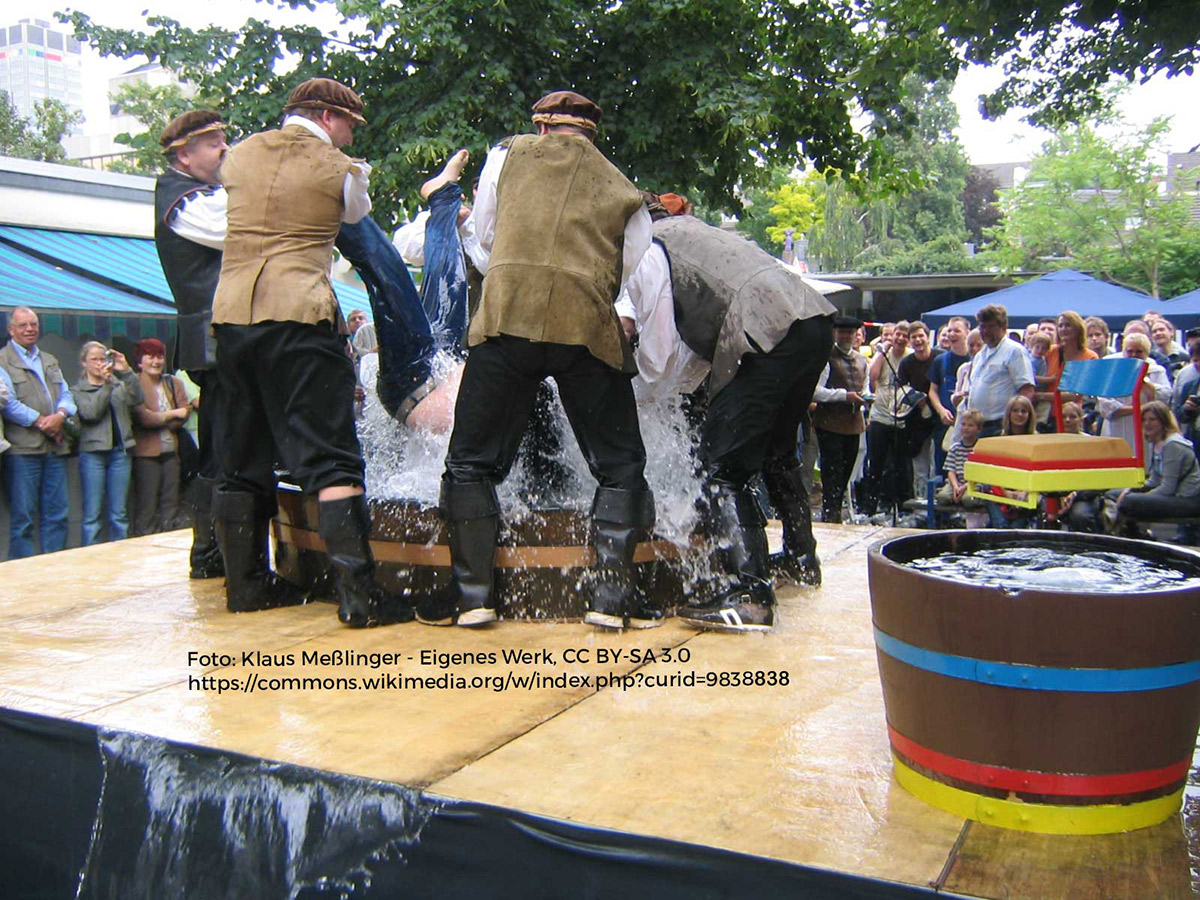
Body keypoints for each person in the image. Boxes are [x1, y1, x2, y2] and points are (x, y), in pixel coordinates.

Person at [420, 90, 655, 631]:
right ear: (591, 133)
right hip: (586, 327)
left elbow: (483, 235)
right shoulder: (624, 188)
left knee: (470, 462)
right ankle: (612, 600)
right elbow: (632, 263)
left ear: (542, 127)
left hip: (507, 319)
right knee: (620, 466)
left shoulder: (506, 156)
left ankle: (472, 597)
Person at [211, 77, 408, 625]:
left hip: (231, 319)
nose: (348, 136)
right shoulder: (342, 171)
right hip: (299, 315)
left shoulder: (239, 154)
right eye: (347, 124)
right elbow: (353, 215)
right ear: (326, 116)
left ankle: (247, 587)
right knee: (332, 456)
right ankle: (360, 598)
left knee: (241, 452)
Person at [617, 195, 835, 631]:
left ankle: (749, 596)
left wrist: (636, 396)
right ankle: (801, 559)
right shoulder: (700, 233)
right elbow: (701, 345)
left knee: (722, 470)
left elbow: (660, 357)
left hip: (763, 330)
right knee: (777, 451)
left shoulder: (649, 248)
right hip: (813, 321)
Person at [154, 109, 231, 579]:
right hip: (216, 340)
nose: (224, 148)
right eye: (213, 143)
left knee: (228, 446)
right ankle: (209, 556)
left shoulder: (203, 193)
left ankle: (218, 555)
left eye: (225, 139)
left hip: (221, 338)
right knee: (223, 448)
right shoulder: (184, 200)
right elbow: (235, 229)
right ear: (184, 153)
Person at [0, 306, 77, 557]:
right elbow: (7, 403)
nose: (30, 329)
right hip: (23, 450)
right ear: (11, 330)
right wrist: (42, 422)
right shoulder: (2, 360)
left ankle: (54, 569)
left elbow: (66, 393)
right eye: (23, 325)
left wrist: (61, 415)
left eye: (33, 324)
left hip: (55, 446)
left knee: (58, 514)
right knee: (23, 518)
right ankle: (23, 578)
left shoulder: (49, 359)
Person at [73, 342, 143, 545]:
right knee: (92, 516)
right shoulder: (78, 390)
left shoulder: (118, 384)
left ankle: (119, 556)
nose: (99, 363)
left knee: (119, 514)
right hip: (93, 453)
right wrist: (105, 386)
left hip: (120, 452)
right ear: (83, 363)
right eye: (94, 359)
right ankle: (90, 558)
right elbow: (90, 413)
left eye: (102, 359)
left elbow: (138, 398)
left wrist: (127, 371)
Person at [1104, 401, 1200, 536]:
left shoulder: (1173, 445)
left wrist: (1138, 496)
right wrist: (1130, 489)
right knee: (1112, 494)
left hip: (1187, 498)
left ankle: (1133, 535)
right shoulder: (1156, 442)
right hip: (1171, 494)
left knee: (1130, 501)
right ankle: (1126, 533)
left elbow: (1168, 488)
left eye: (1152, 419)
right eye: (1144, 420)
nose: (1147, 423)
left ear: (1163, 421)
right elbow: (1154, 480)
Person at [130, 337, 191, 536]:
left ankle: (169, 540)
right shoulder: (134, 383)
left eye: (160, 357)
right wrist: (172, 414)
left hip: (172, 452)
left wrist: (161, 418)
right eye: (151, 357)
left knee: (171, 503)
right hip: (146, 454)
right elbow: (144, 419)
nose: (156, 362)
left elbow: (185, 412)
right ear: (140, 360)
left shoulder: (174, 382)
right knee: (147, 505)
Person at [813, 316, 869, 524]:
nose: (846, 336)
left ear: (856, 335)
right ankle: (830, 515)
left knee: (846, 472)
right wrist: (843, 396)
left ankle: (836, 513)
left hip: (854, 423)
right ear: (835, 334)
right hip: (830, 423)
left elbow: (867, 386)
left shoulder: (862, 359)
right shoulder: (826, 358)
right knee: (832, 474)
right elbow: (815, 391)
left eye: (850, 332)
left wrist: (865, 397)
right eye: (842, 332)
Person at [863, 321, 912, 517]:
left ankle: (900, 505)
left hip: (901, 417)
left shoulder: (909, 357)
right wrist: (881, 353)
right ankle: (870, 506)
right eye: (896, 334)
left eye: (903, 335)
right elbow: (872, 377)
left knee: (900, 465)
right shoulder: (883, 355)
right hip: (880, 415)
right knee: (876, 463)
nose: (899, 338)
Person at [966, 304, 1035, 437]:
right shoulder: (980, 355)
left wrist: (1015, 425)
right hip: (978, 426)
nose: (985, 331)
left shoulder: (1015, 351)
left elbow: (1027, 390)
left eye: (990, 326)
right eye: (982, 326)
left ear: (1004, 327)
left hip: (1001, 426)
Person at [1096, 333, 1171, 454]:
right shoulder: (1111, 372)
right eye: (1130, 351)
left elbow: (1164, 399)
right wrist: (1140, 408)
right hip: (1118, 430)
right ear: (1123, 351)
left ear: (1147, 353)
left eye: (1139, 351)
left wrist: (1145, 383)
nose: (1134, 355)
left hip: (1147, 433)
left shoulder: (1156, 371)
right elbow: (1105, 407)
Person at [896, 321, 942, 504]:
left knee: (938, 461)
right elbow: (901, 390)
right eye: (913, 337)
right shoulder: (906, 363)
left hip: (939, 418)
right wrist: (918, 401)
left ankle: (939, 501)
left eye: (920, 336)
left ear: (927, 337)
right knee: (919, 464)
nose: (917, 340)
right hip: (916, 422)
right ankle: (922, 501)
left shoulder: (940, 358)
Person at [927, 317, 971, 474]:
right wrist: (941, 410)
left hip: (968, 425)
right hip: (944, 423)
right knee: (942, 466)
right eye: (950, 330)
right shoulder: (940, 360)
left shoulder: (975, 360)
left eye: (957, 330)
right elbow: (932, 390)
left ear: (967, 333)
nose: (952, 334)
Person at [985, 394, 1037, 528]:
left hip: (1027, 490)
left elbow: (1037, 472)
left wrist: (1024, 492)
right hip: (1001, 489)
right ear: (1009, 414)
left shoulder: (1038, 440)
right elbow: (992, 472)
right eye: (1015, 410)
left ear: (1029, 415)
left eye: (1023, 411)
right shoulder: (998, 438)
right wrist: (1006, 492)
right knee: (987, 489)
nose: (1019, 414)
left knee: (1017, 527)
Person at [934, 408, 985, 508]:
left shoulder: (980, 448)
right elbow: (951, 470)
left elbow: (981, 473)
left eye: (970, 425)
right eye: (963, 424)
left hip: (972, 483)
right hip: (956, 481)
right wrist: (956, 486)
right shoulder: (955, 448)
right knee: (943, 497)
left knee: (968, 500)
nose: (966, 428)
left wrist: (964, 487)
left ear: (979, 429)